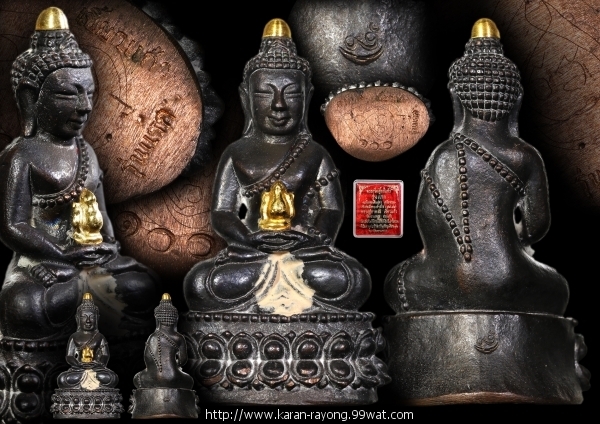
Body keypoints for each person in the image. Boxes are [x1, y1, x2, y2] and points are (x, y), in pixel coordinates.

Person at [184, 19, 370, 316]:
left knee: (352, 279)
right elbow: (222, 212)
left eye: (291, 94)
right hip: (251, 254)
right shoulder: (237, 153)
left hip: (305, 252)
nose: (279, 104)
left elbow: (331, 209)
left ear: (307, 96)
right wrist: (248, 239)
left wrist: (312, 237)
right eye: (265, 93)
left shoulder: (315, 153)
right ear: (246, 97)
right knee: (201, 283)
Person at [384, 19, 569, 315]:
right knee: (558, 287)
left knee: (397, 282)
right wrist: (515, 238)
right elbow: (537, 227)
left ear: (456, 97)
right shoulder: (525, 155)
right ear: (516, 99)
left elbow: (426, 219)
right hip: (509, 277)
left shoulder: (442, 154)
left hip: (442, 281)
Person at [0, 7, 160, 341]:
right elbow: (12, 226)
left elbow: (100, 214)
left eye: (89, 92)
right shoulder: (21, 155)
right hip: (43, 263)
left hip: (89, 260)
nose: (84, 105)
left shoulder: (86, 151)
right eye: (68, 93)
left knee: (143, 285)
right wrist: (61, 254)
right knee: (24, 307)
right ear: (31, 97)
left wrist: (109, 247)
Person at [57, 293, 118, 390]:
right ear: (78, 318)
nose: (88, 321)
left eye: (92, 317)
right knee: (63, 379)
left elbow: (105, 355)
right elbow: (69, 356)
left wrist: (98, 364)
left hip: (96, 369)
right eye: (84, 317)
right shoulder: (74, 337)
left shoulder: (99, 337)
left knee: (111, 378)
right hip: (78, 369)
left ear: (97, 318)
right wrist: (78, 364)